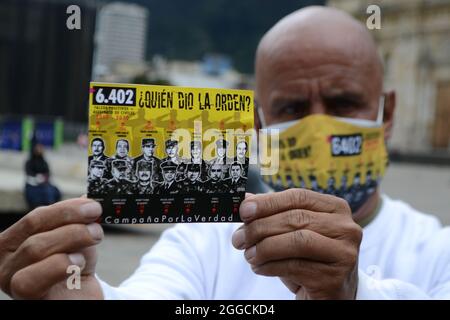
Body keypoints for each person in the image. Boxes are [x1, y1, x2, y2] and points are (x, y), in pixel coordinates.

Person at [2, 6, 450, 300]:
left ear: (385, 111)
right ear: (258, 125)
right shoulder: (204, 240)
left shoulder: (437, 251)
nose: (318, 125)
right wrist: (85, 293)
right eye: (292, 108)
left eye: (343, 103)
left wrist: (356, 293)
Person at [24, 137, 61, 210]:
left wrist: (44, 178)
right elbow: (29, 175)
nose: (40, 149)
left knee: (53, 192)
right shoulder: (29, 162)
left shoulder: (44, 162)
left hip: (44, 184)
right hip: (32, 186)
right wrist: (37, 178)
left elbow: (47, 174)